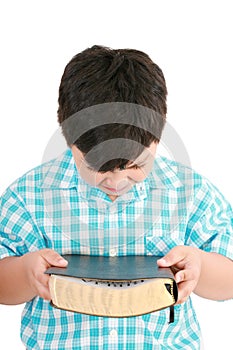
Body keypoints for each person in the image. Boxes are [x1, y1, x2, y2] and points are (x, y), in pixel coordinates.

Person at [0, 45, 233, 350]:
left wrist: (199, 266)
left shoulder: (191, 194)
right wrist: (26, 274)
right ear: (69, 140)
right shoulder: (28, 196)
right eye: (98, 167)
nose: (117, 181)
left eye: (136, 165)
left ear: (157, 137)